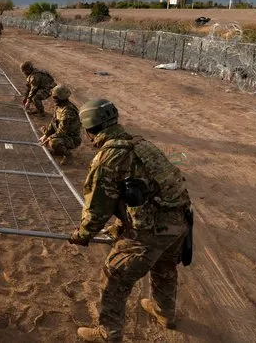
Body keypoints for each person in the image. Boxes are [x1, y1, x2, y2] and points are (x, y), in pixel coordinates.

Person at [68, 99, 193, 342]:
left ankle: (109, 332)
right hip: (180, 222)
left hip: (150, 230)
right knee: (165, 267)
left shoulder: (108, 158)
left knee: (115, 276)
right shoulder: (142, 144)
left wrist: (83, 234)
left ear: (89, 130)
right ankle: (164, 311)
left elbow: (97, 208)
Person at [38, 85, 82, 165]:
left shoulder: (67, 111)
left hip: (72, 138)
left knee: (53, 142)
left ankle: (68, 155)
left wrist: (49, 138)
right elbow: (53, 122)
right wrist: (46, 135)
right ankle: (58, 150)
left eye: (55, 97)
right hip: (64, 133)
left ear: (60, 98)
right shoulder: (59, 106)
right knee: (45, 130)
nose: (53, 99)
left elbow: (62, 132)